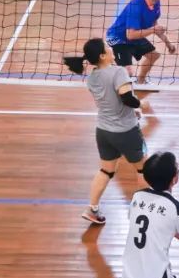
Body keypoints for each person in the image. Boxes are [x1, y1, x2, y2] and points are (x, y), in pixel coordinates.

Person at [63, 38, 148, 226]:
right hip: (126, 131)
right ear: (102, 55)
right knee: (144, 169)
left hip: (103, 131)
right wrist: (141, 104)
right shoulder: (118, 72)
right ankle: (144, 212)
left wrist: (131, 111)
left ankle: (92, 209)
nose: (111, 49)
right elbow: (127, 98)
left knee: (106, 170)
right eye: (107, 48)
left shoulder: (92, 77)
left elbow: (110, 101)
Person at [106, 0, 176, 85]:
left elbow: (154, 23)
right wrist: (153, 29)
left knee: (154, 55)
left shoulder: (155, 1)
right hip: (118, 38)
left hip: (134, 34)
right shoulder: (136, 6)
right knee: (128, 73)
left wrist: (168, 43)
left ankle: (140, 82)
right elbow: (130, 35)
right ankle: (112, 72)